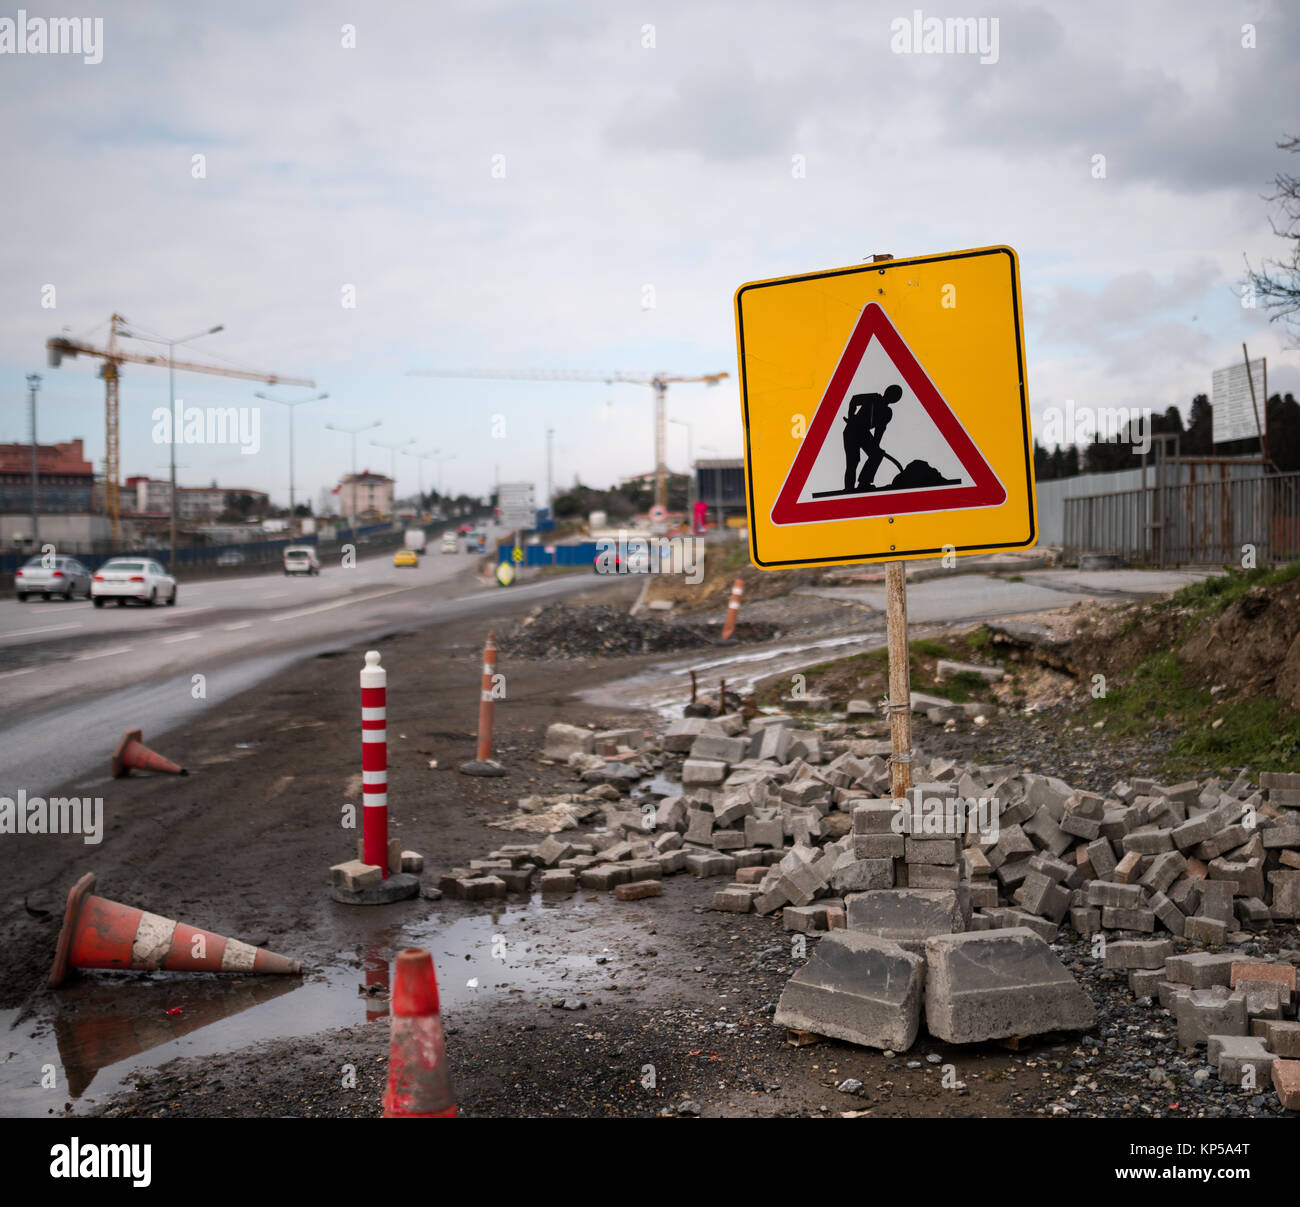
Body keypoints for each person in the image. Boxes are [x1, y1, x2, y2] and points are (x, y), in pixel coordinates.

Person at [842, 384, 902, 491]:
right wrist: (851, 417)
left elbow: (880, 430)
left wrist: (875, 445)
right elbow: (855, 399)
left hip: (864, 433)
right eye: (892, 394)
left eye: (895, 397)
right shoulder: (874, 398)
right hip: (852, 430)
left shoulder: (887, 412)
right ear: (887, 392)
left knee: (877, 454)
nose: (892, 398)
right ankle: (849, 489)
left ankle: (864, 483)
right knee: (853, 461)